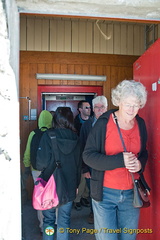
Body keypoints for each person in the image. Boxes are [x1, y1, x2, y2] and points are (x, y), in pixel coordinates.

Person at [83, 80, 148, 240]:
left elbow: (144, 153)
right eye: (127, 104)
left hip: (131, 193)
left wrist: (140, 164)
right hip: (105, 194)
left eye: (136, 104)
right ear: (119, 101)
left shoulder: (140, 124)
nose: (132, 109)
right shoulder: (104, 123)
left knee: (128, 238)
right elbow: (88, 156)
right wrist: (120, 160)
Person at [36, 107, 81, 240]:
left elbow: (40, 163)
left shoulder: (48, 136)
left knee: (49, 220)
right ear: (71, 120)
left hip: (50, 185)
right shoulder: (76, 138)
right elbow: (78, 166)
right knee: (64, 220)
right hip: (70, 185)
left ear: (55, 119)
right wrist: (77, 185)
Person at [23, 110, 53, 233]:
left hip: (36, 170)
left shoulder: (33, 133)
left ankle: (42, 225)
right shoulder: (53, 133)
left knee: (40, 198)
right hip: (51, 171)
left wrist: (26, 166)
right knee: (52, 196)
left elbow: (28, 152)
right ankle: (53, 222)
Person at [80, 95, 108, 224]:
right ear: (93, 109)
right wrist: (84, 168)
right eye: (96, 107)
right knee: (93, 191)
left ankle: (105, 216)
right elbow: (82, 146)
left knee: (107, 190)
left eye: (102, 107)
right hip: (91, 165)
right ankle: (93, 213)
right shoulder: (87, 125)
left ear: (106, 108)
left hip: (108, 164)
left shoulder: (112, 123)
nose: (99, 109)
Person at [74, 100, 91, 210]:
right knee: (81, 178)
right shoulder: (74, 123)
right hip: (79, 154)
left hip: (91, 154)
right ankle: (77, 199)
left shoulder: (93, 122)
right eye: (86, 107)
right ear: (80, 109)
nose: (89, 109)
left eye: (89, 107)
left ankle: (85, 197)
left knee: (89, 177)